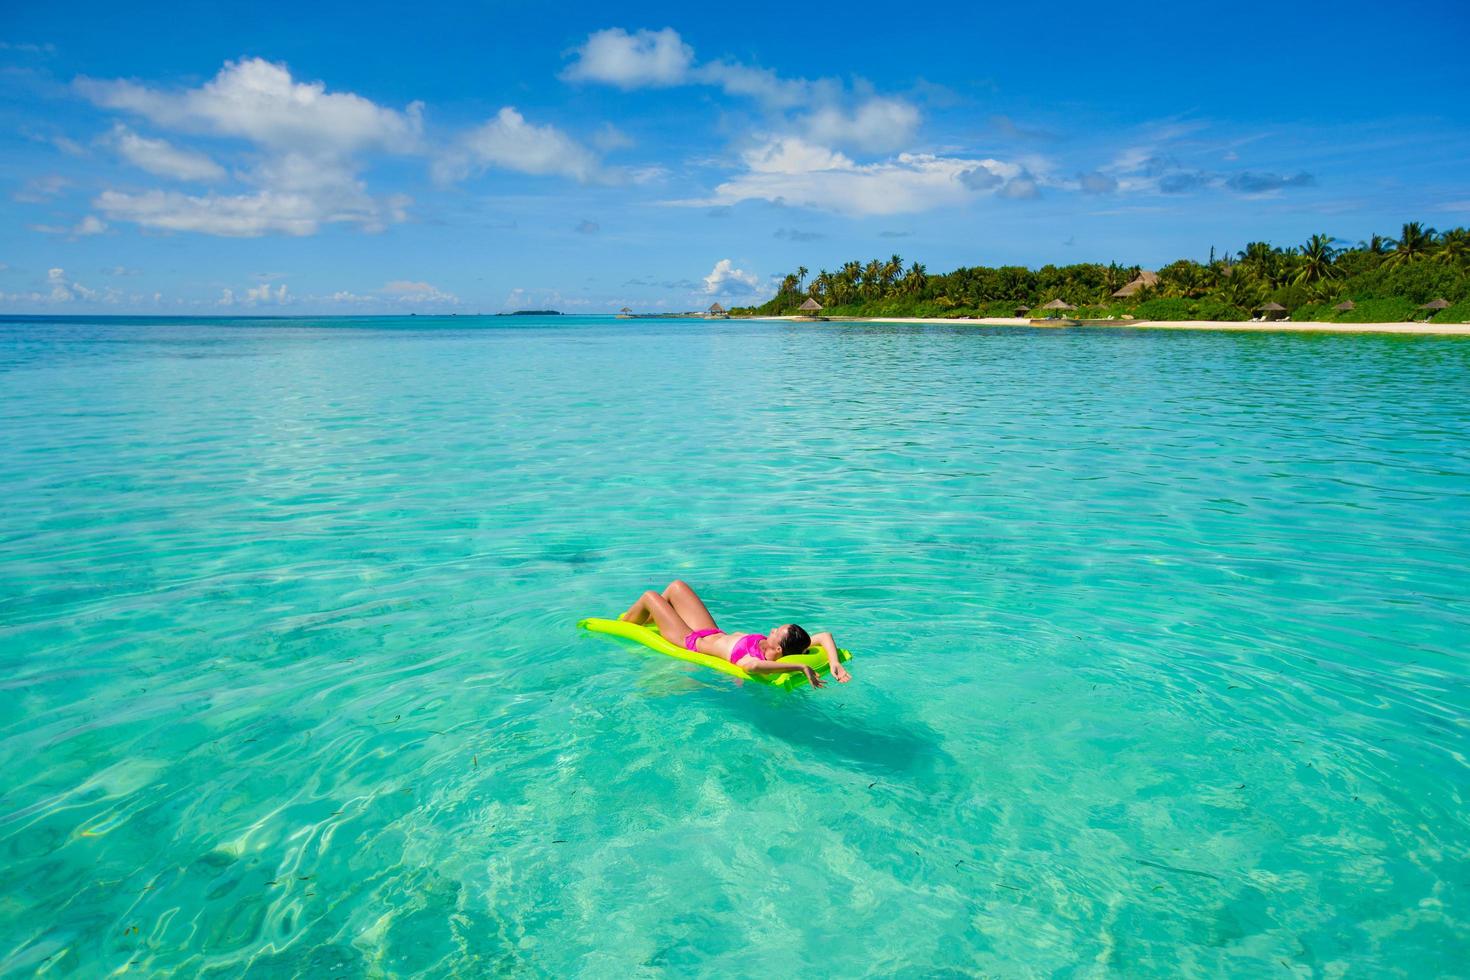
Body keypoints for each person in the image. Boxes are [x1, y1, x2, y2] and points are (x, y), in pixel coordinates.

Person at [620, 580, 851, 687]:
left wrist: (801, 667)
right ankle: (656, 615)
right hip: (709, 630)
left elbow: (750, 668)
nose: (771, 629)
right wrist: (834, 663)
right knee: (676, 587)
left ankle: (627, 622)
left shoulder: (757, 660)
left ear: (779, 649)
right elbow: (824, 636)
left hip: (689, 640)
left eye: (776, 632)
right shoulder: (788, 646)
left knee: (651, 596)